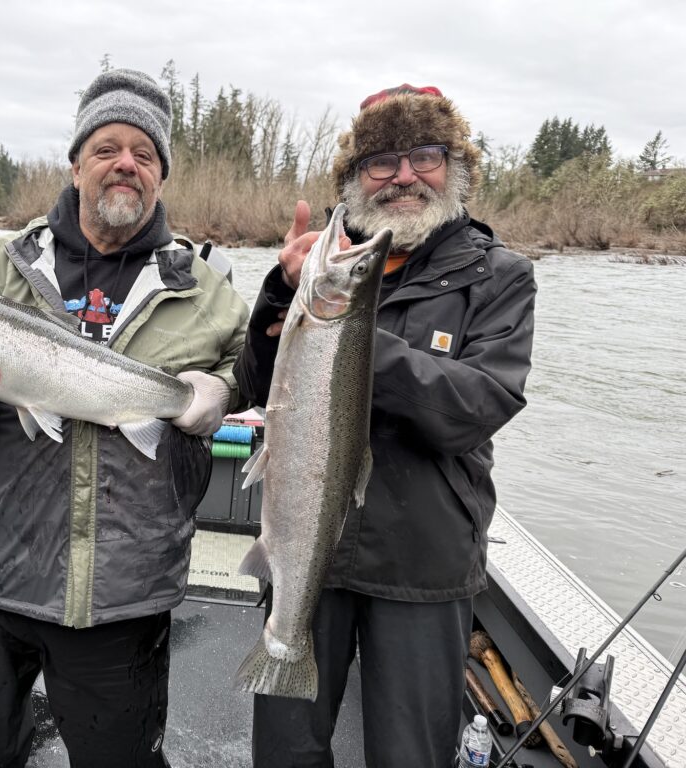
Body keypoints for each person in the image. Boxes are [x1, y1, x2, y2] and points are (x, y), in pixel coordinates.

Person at [0, 68, 249, 768]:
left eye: (144, 154)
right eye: (107, 148)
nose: (126, 163)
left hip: (126, 596)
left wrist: (220, 391)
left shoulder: (205, 290)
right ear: (75, 165)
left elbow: (252, 370)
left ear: (160, 176)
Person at [234, 84, 536, 767]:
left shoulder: (499, 278)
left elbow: (474, 408)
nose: (403, 176)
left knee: (410, 756)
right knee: (284, 753)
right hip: (310, 552)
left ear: (455, 168)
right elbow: (255, 391)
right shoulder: (323, 270)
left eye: (425, 155)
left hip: (423, 566)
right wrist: (281, 296)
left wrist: (348, 334)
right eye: (381, 161)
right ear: (353, 179)